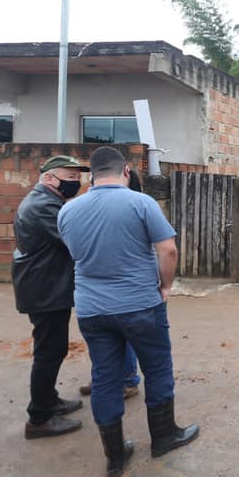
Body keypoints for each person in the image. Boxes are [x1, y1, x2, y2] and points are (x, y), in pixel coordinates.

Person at [58, 147, 198, 477]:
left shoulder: (68, 210)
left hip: (92, 310)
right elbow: (169, 249)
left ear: (92, 175)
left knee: (105, 378)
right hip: (140, 306)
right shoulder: (141, 203)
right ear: (125, 172)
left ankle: (115, 457)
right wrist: (165, 286)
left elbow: (75, 253)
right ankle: (164, 438)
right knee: (158, 368)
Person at [12, 155, 89, 440]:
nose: (76, 184)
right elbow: (71, 241)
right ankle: (39, 418)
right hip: (44, 290)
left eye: (77, 178)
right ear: (49, 179)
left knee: (52, 349)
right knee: (48, 352)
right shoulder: (43, 205)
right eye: (70, 178)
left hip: (45, 286)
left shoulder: (46, 201)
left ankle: (49, 399)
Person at [79, 169, 144, 400]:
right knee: (105, 339)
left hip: (125, 286)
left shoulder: (136, 206)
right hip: (98, 288)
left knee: (123, 335)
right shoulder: (92, 205)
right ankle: (107, 378)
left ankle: (127, 379)